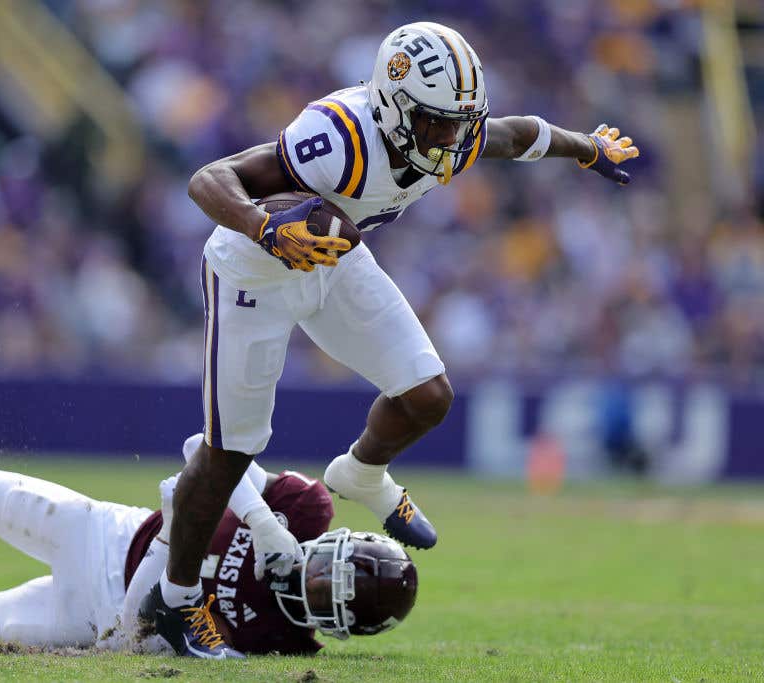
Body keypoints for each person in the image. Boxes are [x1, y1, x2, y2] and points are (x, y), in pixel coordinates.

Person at [149, 20, 641, 657]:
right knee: (229, 452)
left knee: (426, 395)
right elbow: (210, 177)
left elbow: (519, 133)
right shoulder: (336, 137)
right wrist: (266, 228)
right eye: (437, 123)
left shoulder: (453, 135)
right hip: (254, 268)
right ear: (392, 103)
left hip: (333, 255)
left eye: (459, 123)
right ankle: (180, 601)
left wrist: (585, 147)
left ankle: (361, 473)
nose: (451, 138)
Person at [0, 406, 418, 657]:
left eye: (320, 591)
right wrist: (258, 520)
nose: (306, 575)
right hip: (104, 535)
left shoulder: (285, 644)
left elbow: (169, 636)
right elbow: (205, 446)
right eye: (320, 565)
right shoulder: (302, 508)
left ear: (331, 624)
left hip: (106, 619)